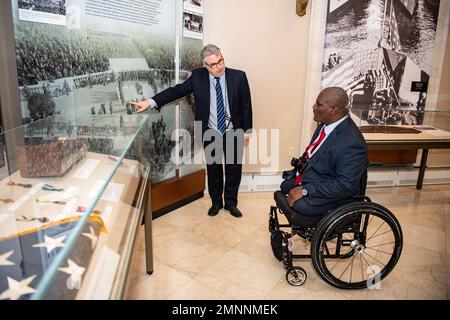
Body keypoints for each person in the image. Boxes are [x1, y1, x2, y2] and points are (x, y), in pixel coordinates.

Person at [132, 44, 252, 218]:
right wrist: (150, 102)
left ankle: (231, 204)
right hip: (211, 132)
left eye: (220, 61)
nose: (219, 66)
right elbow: (176, 91)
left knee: (234, 170)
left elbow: (246, 105)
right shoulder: (198, 77)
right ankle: (216, 203)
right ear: (205, 65)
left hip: (233, 131)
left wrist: (247, 131)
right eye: (213, 65)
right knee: (214, 170)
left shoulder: (239, 77)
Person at [280, 87, 367, 220]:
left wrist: (306, 190)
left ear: (333, 109)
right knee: (285, 185)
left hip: (334, 192)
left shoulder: (352, 142)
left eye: (319, 104)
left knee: (299, 203)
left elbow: (345, 185)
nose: (313, 107)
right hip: (316, 177)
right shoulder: (324, 125)